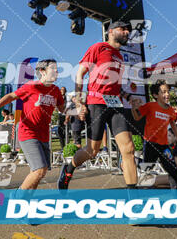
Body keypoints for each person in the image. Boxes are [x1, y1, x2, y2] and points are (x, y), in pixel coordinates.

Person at [58, 21, 141, 189]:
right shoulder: (98, 48)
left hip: (116, 104)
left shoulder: (119, 56)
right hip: (96, 103)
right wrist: (80, 102)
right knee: (92, 151)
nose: (126, 32)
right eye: (122, 29)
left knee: (129, 149)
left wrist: (128, 97)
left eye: (128, 30)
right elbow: (80, 74)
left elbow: (115, 85)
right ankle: (69, 168)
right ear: (110, 31)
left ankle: (134, 199)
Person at [0, 59, 65, 190]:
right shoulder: (31, 86)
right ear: (42, 72)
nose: (56, 72)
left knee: (38, 172)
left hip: (44, 134)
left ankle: (26, 200)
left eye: (57, 69)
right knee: (40, 170)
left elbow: (63, 109)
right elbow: (11, 95)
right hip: (28, 132)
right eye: (53, 69)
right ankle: (17, 196)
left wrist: (78, 109)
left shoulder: (56, 90)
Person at [131, 80, 177, 189]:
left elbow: (172, 123)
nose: (167, 94)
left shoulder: (170, 109)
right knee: (146, 171)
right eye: (163, 92)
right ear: (155, 95)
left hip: (164, 145)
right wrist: (133, 107)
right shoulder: (150, 106)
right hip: (151, 144)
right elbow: (137, 117)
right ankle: (143, 194)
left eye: (168, 92)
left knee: (173, 170)